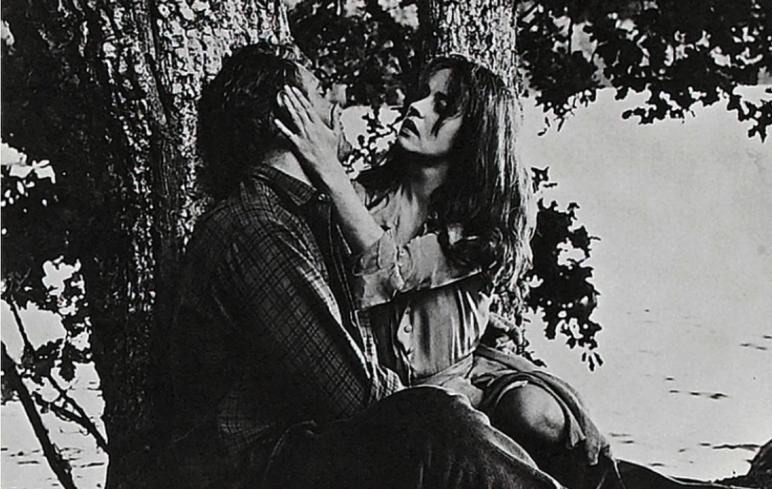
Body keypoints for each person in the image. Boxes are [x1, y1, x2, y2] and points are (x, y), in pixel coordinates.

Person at [167, 42, 569, 489]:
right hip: (252, 466)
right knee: (436, 421)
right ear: (292, 119)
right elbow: (352, 393)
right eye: (321, 93)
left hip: (289, 445)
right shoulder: (262, 228)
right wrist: (435, 404)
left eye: (441, 105)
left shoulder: (297, 215)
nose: (337, 103)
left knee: (515, 418)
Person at [275, 55, 622, 489]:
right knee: (450, 431)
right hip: (399, 402)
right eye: (421, 95)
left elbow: (397, 271)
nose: (416, 107)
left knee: (539, 415)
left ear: (475, 134)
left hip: (467, 380)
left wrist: (329, 170)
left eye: (442, 106)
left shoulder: (480, 226)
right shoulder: (362, 199)